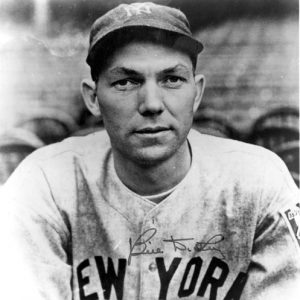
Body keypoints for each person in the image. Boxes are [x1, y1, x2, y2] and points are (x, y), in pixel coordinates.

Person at [1, 2, 300, 300]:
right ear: (92, 99)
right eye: (126, 82)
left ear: (196, 93)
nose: (152, 104)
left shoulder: (259, 182)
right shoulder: (43, 183)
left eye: (172, 79)